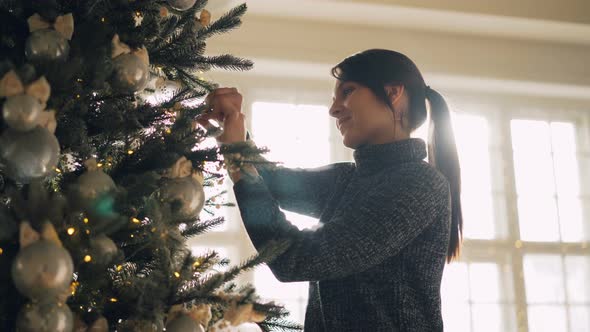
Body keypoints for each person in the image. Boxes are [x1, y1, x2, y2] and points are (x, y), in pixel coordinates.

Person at [197, 49, 462, 332]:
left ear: (394, 93)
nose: (333, 109)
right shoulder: (349, 178)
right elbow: (274, 183)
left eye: (347, 91)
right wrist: (234, 127)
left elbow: (299, 259)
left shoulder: (419, 183)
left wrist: (237, 155)